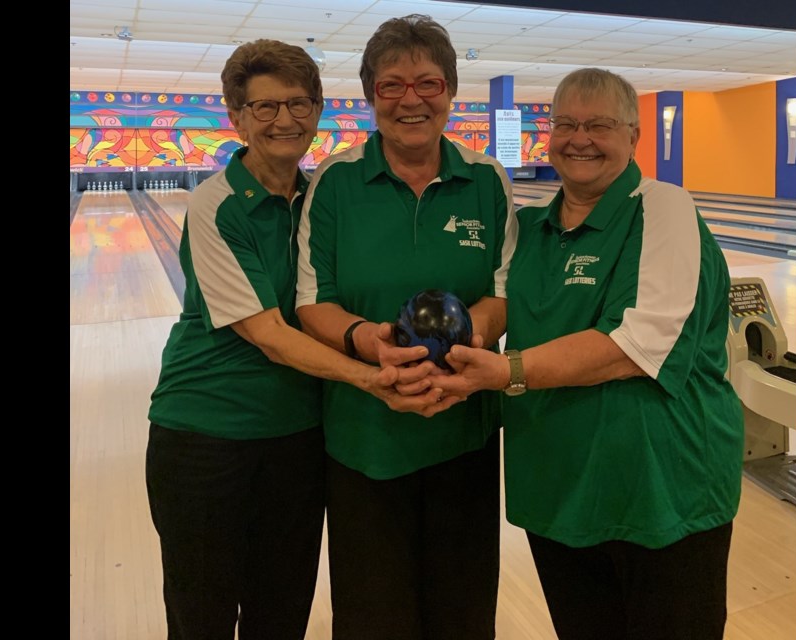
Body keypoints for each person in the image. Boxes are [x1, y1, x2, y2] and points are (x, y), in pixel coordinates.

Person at [145, 39, 448, 640]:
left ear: (316, 112)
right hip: (207, 435)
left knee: (281, 610)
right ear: (236, 117)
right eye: (264, 108)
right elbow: (272, 336)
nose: (285, 120)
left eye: (298, 104)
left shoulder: (320, 198)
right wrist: (373, 379)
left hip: (299, 438)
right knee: (201, 614)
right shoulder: (216, 203)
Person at [431, 68, 745, 640]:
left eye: (599, 124)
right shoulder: (528, 227)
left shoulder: (663, 208)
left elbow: (633, 345)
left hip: (661, 492)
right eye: (566, 123)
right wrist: (460, 338)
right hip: (558, 487)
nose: (580, 138)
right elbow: (497, 303)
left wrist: (505, 370)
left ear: (633, 136)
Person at [295, 14, 518, 640]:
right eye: (391, 84)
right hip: (365, 437)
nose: (411, 99)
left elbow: (504, 293)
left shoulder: (486, 179)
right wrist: (367, 343)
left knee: (464, 610)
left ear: (449, 91)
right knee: (373, 615)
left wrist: (471, 334)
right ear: (370, 95)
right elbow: (314, 301)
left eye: (428, 82)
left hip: (464, 430)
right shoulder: (336, 182)